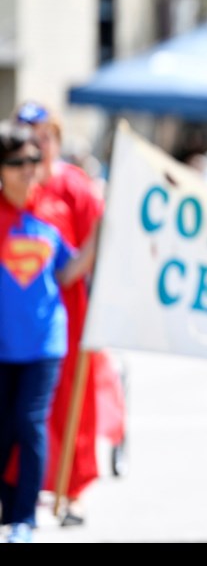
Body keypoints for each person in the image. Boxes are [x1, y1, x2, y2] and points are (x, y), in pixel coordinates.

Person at [0, 121, 96, 543]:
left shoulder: (53, 212)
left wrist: (100, 237)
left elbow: (68, 271)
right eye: (18, 162)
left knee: (29, 422)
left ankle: (25, 517)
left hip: (44, 343)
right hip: (3, 344)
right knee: (4, 427)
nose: (28, 169)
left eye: (34, 160)